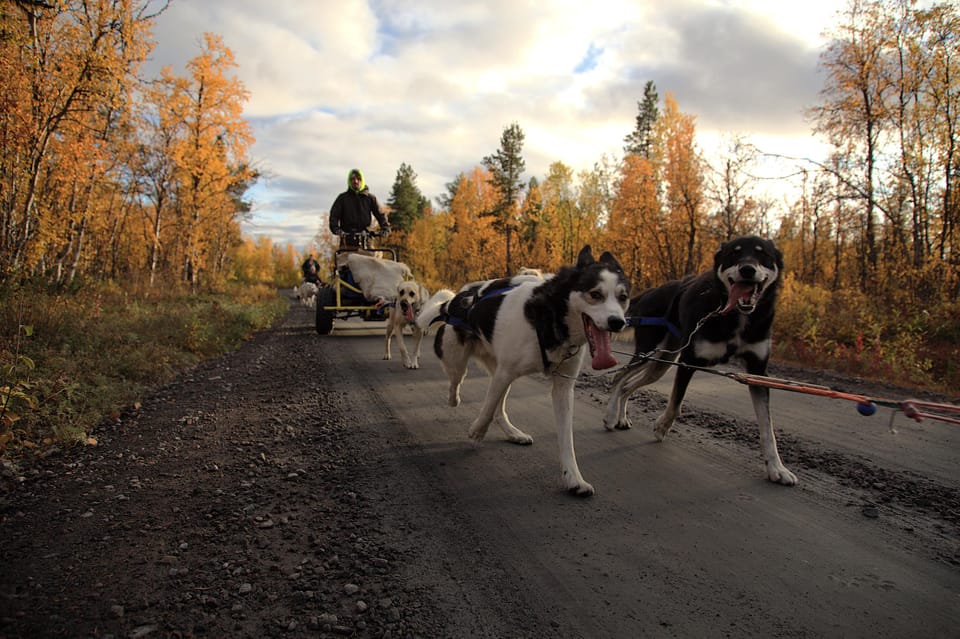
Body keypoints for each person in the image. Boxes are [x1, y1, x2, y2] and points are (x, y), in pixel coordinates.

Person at [329, 168, 390, 249]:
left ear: (362, 180)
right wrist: (336, 229)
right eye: (353, 179)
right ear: (349, 181)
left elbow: (380, 214)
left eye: (358, 179)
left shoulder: (370, 198)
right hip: (347, 241)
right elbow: (334, 216)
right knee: (345, 260)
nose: (356, 181)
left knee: (372, 260)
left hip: (367, 241)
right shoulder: (342, 199)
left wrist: (385, 227)